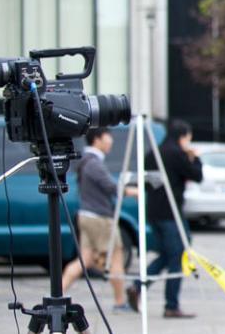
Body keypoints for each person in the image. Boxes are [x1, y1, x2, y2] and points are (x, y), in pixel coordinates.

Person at [128, 119, 203, 318]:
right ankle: (171, 304)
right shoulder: (177, 154)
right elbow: (197, 175)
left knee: (167, 254)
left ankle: (138, 286)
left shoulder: (153, 153)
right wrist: (194, 158)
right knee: (178, 255)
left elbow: (144, 183)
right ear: (183, 137)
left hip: (154, 212)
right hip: (172, 213)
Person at [62, 128, 138, 313]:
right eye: (107, 137)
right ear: (97, 139)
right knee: (116, 259)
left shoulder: (85, 160)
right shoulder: (94, 163)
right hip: (100, 219)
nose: (111, 140)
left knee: (84, 260)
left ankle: (58, 294)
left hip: (86, 216)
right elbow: (111, 187)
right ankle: (120, 302)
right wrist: (134, 192)